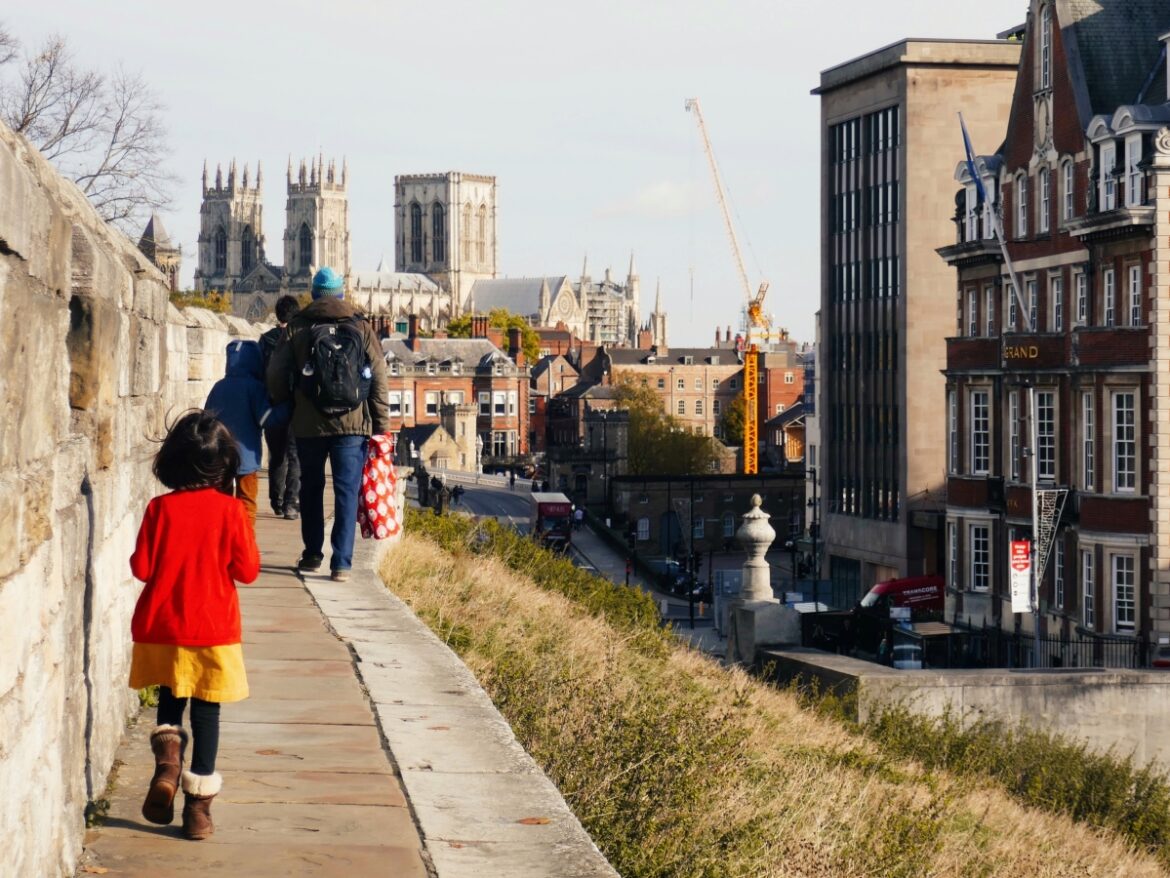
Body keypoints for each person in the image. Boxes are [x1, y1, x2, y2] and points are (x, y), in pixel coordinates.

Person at [129, 410, 260, 841]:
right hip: (213, 629)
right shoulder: (230, 511)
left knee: (169, 701)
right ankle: (199, 811)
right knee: (207, 713)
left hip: (163, 625)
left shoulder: (158, 509)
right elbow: (248, 571)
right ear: (223, 464)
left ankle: (167, 767)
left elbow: (142, 568)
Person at [266, 266, 389, 582]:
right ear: (340, 293)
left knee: (311, 487)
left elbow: (276, 374)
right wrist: (381, 425)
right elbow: (378, 378)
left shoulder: (297, 327)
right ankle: (342, 563)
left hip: (309, 422)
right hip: (353, 424)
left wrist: (289, 403)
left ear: (314, 294)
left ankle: (312, 554)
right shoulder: (360, 326)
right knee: (347, 491)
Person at [205, 340, 289, 529]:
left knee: (221, 502)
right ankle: (244, 544)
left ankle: (221, 541)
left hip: (220, 456)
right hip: (246, 456)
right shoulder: (255, 387)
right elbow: (266, 419)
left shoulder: (218, 387)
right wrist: (287, 407)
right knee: (247, 504)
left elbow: (206, 419)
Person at [260, 295, 303, 520]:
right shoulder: (301, 338)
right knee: (295, 456)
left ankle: (276, 501)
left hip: (272, 404)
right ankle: (290, 504)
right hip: (296, 405)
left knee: (276, 455)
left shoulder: (266, 339)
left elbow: (259, 373)